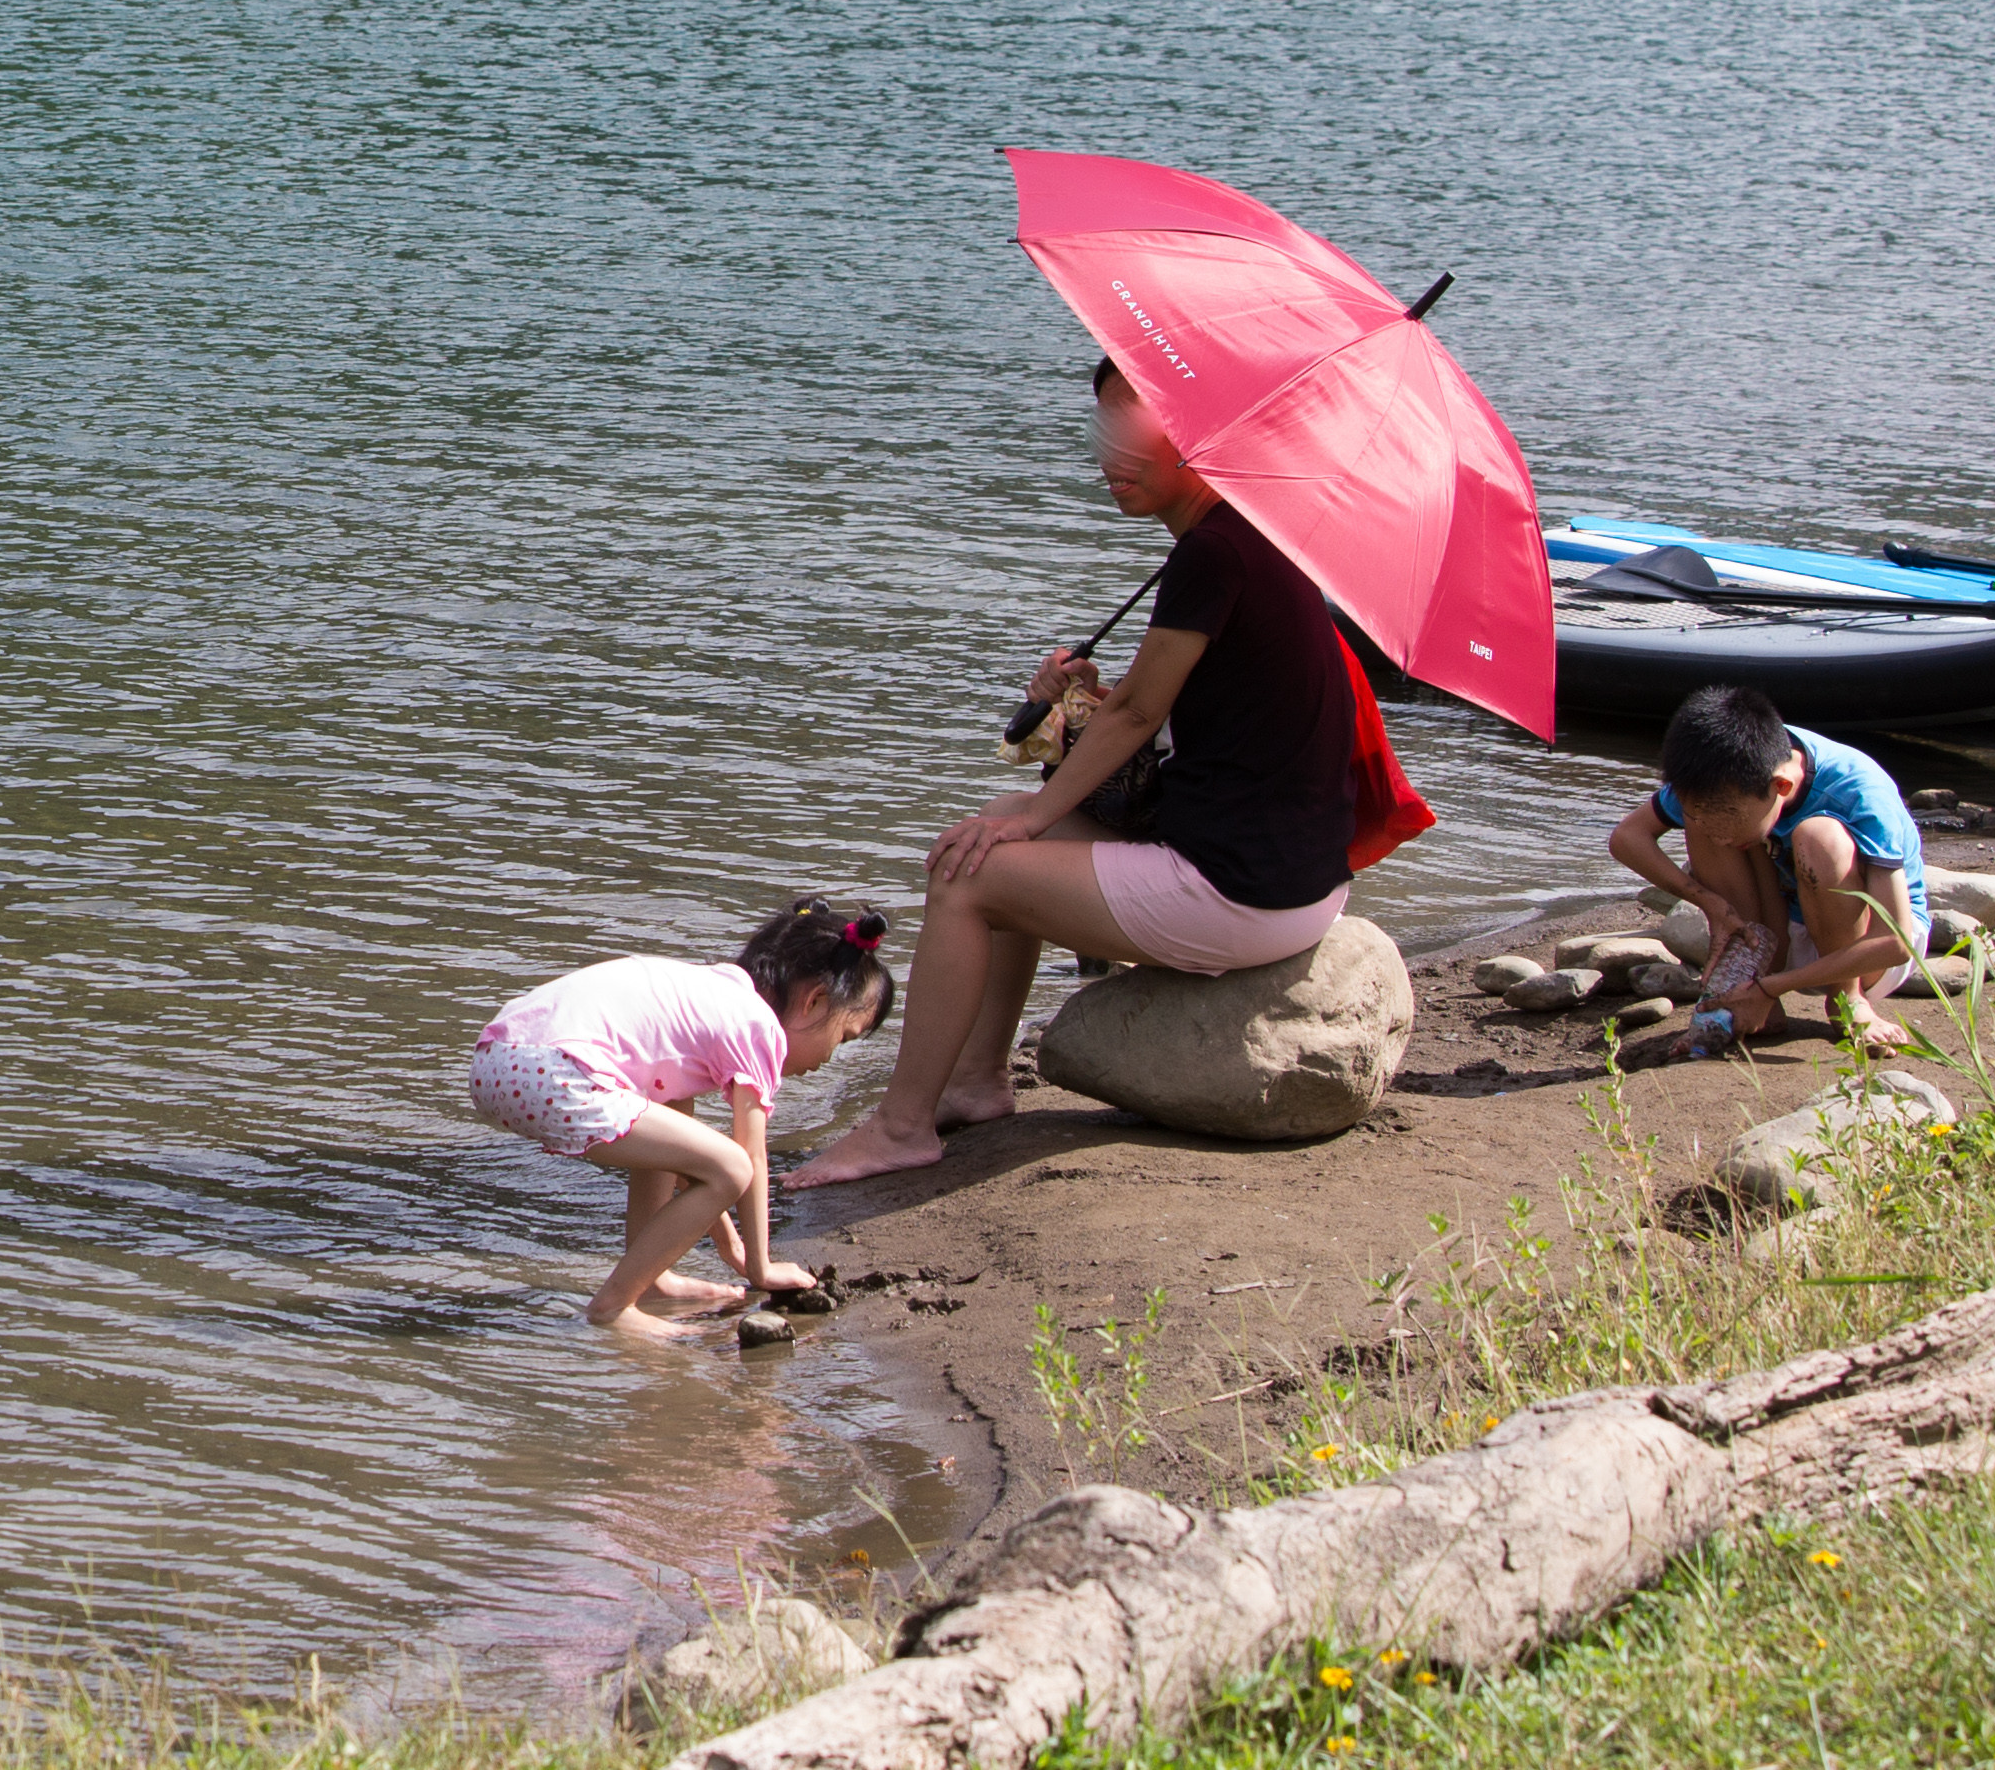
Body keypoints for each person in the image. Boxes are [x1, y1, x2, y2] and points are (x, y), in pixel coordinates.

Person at [789, 361, 1358, 1188]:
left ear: (1196, 437)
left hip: (1246, 891)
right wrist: (1067, 706)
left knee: (970, 870)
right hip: (1287, 873)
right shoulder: (1241, 539)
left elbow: (1137, 721)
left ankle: (901, 1125)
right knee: (1004, 813)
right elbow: (1140, 713)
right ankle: (976, 1079)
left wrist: (1036, 812)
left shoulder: (1215, 554)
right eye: (1105, 433)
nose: (1111, 456)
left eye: (1135, 436)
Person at [471, 897, 895, 1336]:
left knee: (682, 1124)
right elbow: (750, 1159)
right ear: (815, 1002)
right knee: (732, 1164)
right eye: (842, 1037)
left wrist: (730, 1244)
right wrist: (759, 1267)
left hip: (499, 1061)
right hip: (552, 1072)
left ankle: (651, 1280)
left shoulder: (712, 990)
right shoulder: (759, 1027)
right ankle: (613, 1308)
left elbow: (688, 1162)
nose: (831, 1057)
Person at [1608, 685, 1926, 1052]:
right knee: (1700, 821)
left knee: (1819, 837)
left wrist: (1771, 987)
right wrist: (1711, 903)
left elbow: (1896, 944)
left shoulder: (1858, 791)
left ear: (1782, 786)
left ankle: (1847, 1001)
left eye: (1730, 816)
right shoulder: (1716, 771)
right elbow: (1628, 838)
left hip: (1866, 951)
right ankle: (1754, 995)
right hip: (1785, 935)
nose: (1721, 837)